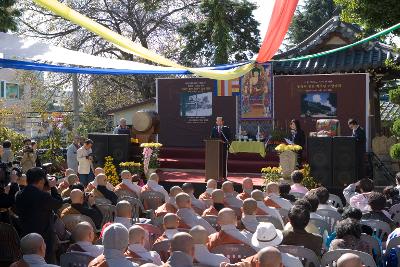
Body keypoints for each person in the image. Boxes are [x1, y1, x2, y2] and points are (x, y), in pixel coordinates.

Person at [15, 167, 63, 263]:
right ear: (41, 180)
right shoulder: (43, 196)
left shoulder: (19, 194)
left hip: (25, 237)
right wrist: (53, 187)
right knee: (47, 262)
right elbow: (58, 203)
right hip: (44, 240)